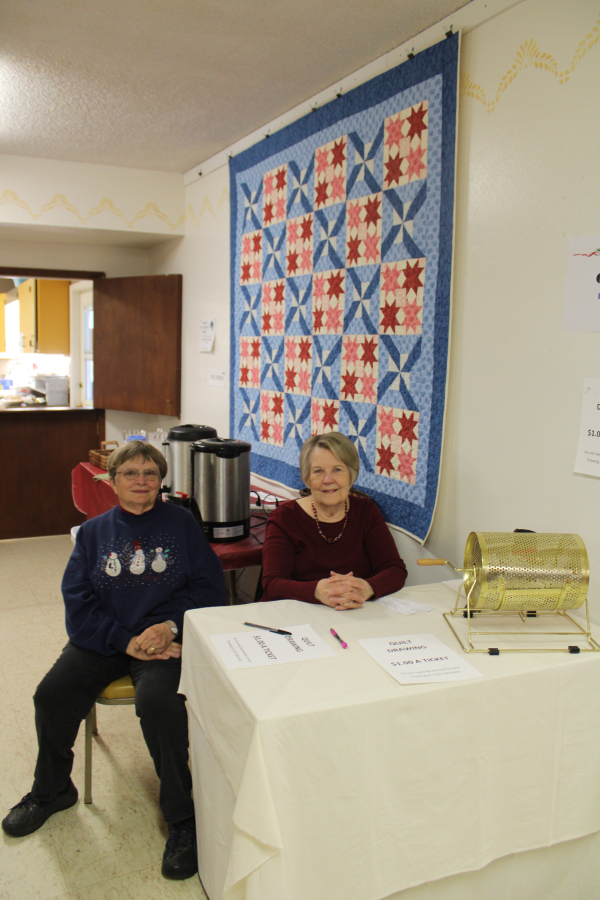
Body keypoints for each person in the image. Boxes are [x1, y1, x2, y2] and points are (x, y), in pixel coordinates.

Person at [2, 441, 226, 881]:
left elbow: (210, 589)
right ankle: (51, 791)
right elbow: (78, 605)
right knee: (50, 695)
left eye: (150, 474)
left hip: (163, 643)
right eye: (130, 473)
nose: (141, 481)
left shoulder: (181, 524)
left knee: (161, 705)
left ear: (161, 481)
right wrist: (125, 642)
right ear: (112, 479)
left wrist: (169, 627)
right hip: (106, 641)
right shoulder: (92, 533)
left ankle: (183, 820)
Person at [261, 432, 407, 607]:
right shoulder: (284, 518)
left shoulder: (366, 512)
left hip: (354, 615)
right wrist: (316, 591)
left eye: (337, 469)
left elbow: (395, 570)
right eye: (318, 471)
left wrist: (365, 588)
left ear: (351, 475)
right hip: (298, 617)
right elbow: (272, 584)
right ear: (307, 477)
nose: (328, 480)